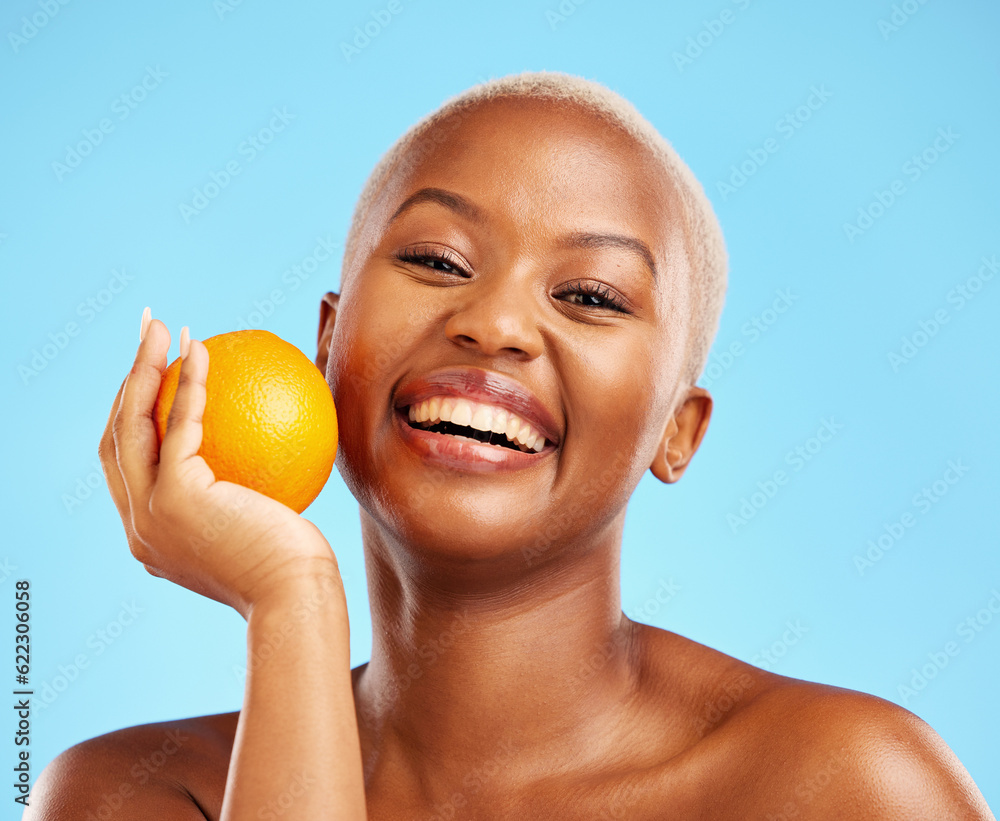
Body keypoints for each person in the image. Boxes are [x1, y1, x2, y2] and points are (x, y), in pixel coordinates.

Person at [26, 71, 994, 820]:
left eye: (589, 296)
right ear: (327, 345)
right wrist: (291, 599)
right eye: (437, 261)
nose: (493, 324)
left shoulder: (844, 785)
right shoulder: (129, 793)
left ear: (677, 430)